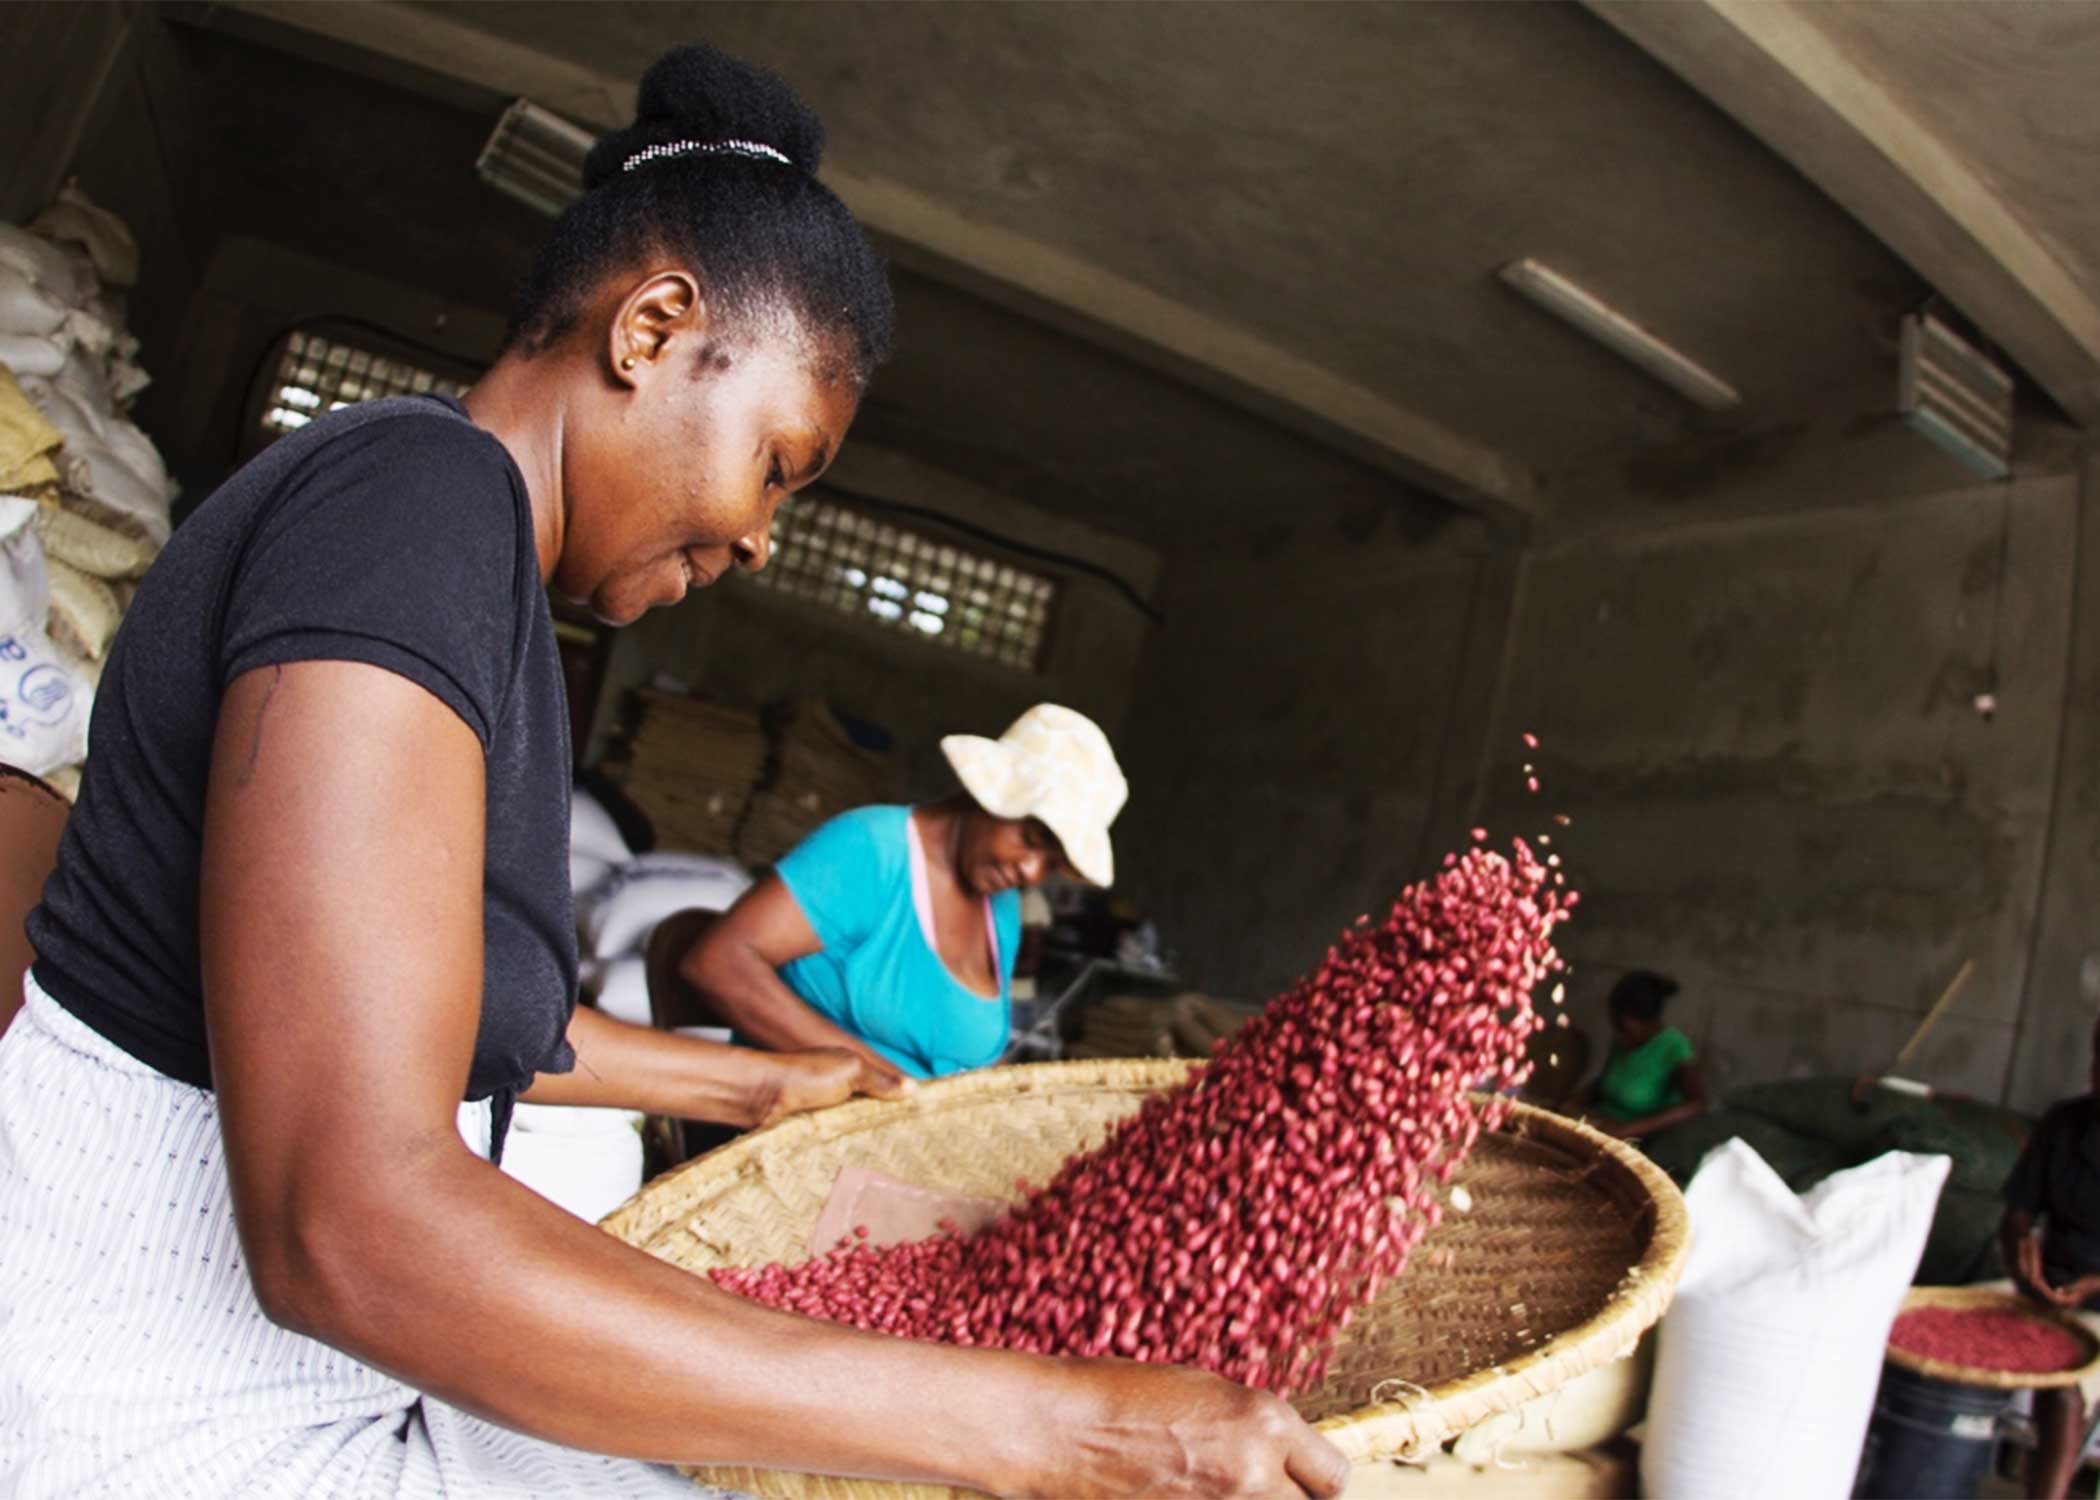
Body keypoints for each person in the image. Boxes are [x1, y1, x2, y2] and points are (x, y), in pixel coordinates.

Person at [0, 43, 1347, 1500]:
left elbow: (442, 1022)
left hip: (321, 1392)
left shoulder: (481, 593)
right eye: (779, 466)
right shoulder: (413, 503)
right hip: (162, 1430)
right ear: (650, 328)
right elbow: (350, 1220)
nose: (765, 539)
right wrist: (1053, 1426)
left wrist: (767, 1096)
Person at [669, 703, 1123, 1083]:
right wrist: (884, 1084)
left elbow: (964, 1054)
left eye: (1053, 863)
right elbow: (717, 964)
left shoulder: (1001, 909)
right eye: (1032, 838)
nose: (1031, 872)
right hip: (800, 1140)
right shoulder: (871, 850)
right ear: (989, 793)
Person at [1999, 1016, 2100, 1499]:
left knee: (2063, 1388)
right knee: (1933, 1351)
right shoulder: (2065, 1123)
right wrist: (2024, 1256)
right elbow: (2017, 1214)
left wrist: (2095, 1284)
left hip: (2095, 1303)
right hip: (2043, 1287)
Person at [1583, 970, 1709, 1140]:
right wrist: (1576, 1101)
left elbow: (1697, 1104)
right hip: (1600, 1126)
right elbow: (1604, 1083)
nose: (1619, 1035)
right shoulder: (1622, 1040)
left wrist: (1628, 1130)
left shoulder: (1674, 1048)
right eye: (1616, 1026)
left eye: (1625, 1028)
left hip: (1634, 1141)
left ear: (1650, 1021)